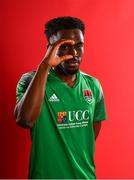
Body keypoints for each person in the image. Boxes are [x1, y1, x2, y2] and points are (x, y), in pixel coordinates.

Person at [14, 16, 107, 179]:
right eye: (64, 47)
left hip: (84, 176)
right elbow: (25, 120)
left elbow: (90, 133)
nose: (74, 53)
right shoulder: (30, 80)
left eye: (79, 46)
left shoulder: (93, 85)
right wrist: (45, 65)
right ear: (49, 48)